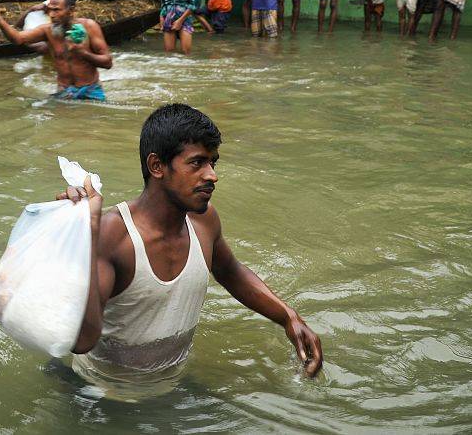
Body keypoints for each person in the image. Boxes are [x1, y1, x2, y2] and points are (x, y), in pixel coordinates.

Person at [66, 103, 323, 398]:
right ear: (157, 166)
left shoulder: (203, 219)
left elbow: (230, 271)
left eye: (213, 163)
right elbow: (82, 341)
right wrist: (86, 235)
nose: (212, 175)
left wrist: (289, 317)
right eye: (197, 163)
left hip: (173, 384)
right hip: (102, 394)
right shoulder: (113, 234)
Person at [0, 0, 112, 101]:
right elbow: (18, 39)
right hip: (64, 92)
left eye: (56, 10)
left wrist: (83, 53)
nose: (51, 14)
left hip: (91, 90)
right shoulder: (47, 31)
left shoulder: (89, 27)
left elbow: (107, 63)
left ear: (71, 10)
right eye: (50, 9)